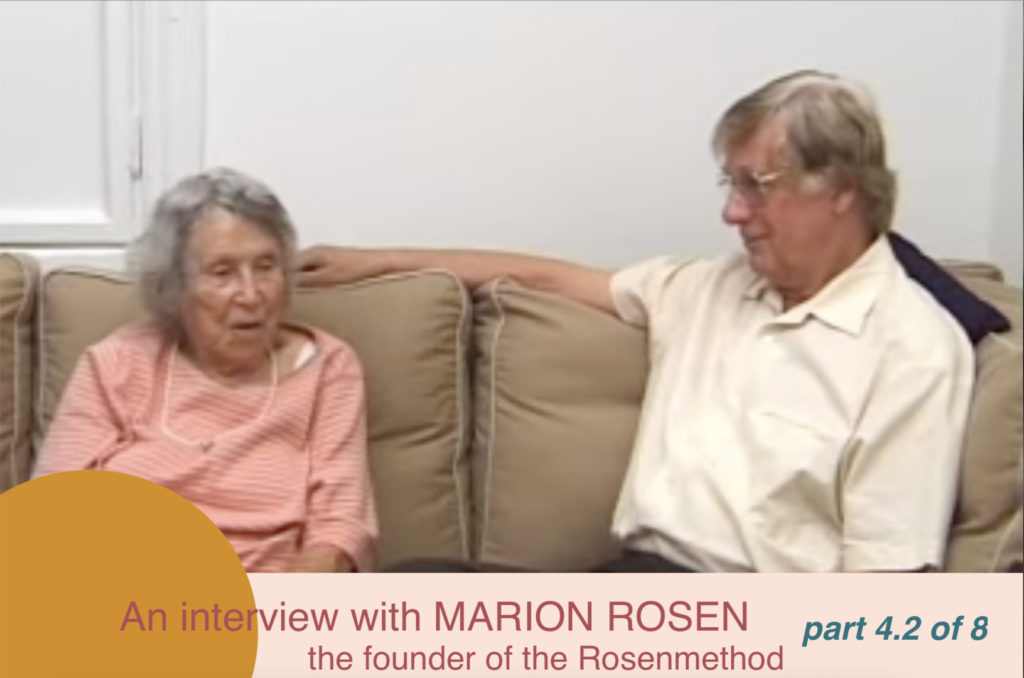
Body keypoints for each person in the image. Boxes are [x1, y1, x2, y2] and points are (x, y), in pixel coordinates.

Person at [296, 70, 975, 573]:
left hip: (752, 632)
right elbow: (550, 278)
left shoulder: (913, 348)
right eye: (731, 184)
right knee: (413, 589)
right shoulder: (709, 287)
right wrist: (375, 261)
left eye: (755, 186)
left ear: (842, 190)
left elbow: (884, 588)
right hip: (633, 593)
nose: (732, 213)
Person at [34, 168, 377, 573]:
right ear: (172, 288)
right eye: (222, 272)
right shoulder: (117, 363)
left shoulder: (327, 368)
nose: (251, 294)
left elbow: (339, 529)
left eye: (266, 266)